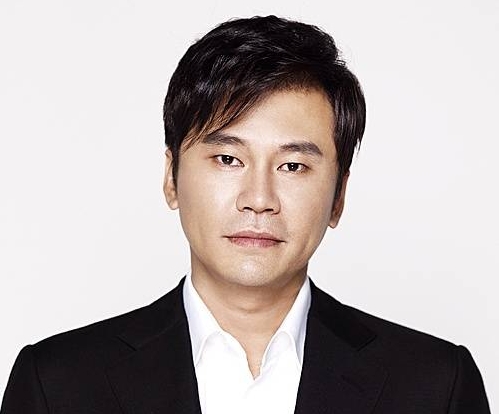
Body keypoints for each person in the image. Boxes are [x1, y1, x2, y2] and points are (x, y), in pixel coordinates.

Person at [1, 15, 490, 414]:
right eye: (227, 159)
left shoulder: (436, 385)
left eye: (293, 166)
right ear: (171, 178)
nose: (259, 198)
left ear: (338, 195)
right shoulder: (56, 384)